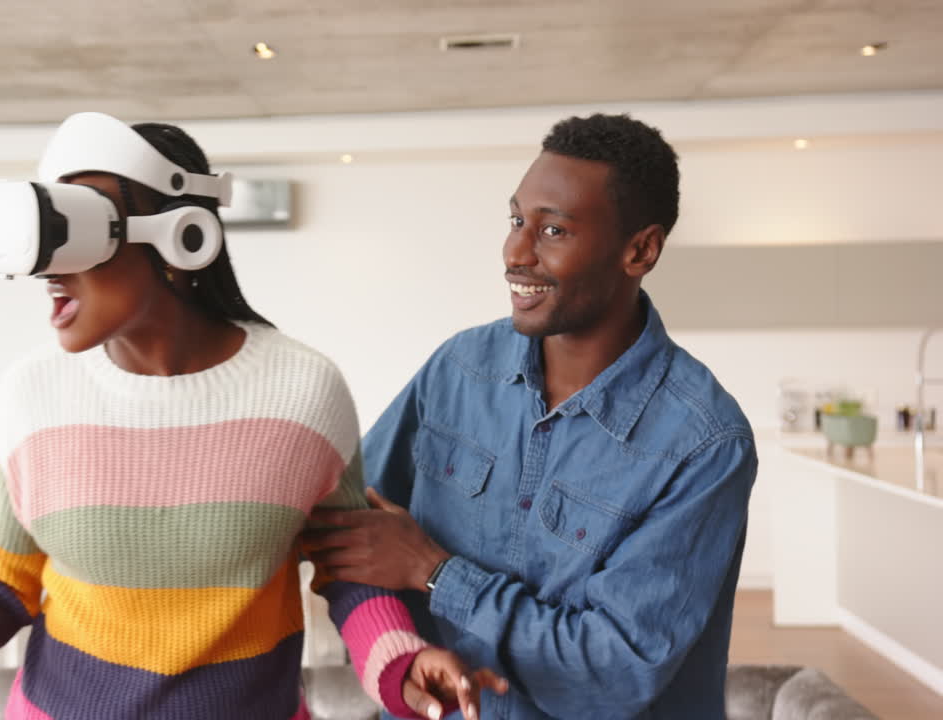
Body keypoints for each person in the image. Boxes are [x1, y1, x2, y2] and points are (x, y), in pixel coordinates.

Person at [0, 114, 505, 720]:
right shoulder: (31, 395)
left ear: (183, 236)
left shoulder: (304, 390)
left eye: (76, 227)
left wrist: (403, 664)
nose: (49, 267)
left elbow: (351, 573)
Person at [302, 114, 758, 719]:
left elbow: (612, 673)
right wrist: (398, 656)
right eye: (518, 220)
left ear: (639, 249)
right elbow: (349, 537)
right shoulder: (460, 368)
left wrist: (437, 573)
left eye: (554, 230)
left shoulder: (704, 444)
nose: (515, 252)